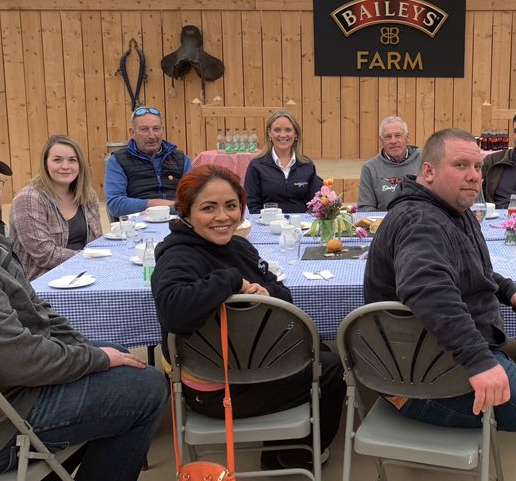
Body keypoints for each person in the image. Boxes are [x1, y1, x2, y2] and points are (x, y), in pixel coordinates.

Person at [0, 134, 166, 480]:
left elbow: (38, 310)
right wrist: (97, 358)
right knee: (147, 386)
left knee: (119, 354)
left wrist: (92, 351)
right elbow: (19, 360)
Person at [364, 128, 516, 481]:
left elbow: (470, 270)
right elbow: (428, 288)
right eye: (461, 164)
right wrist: (479, 361)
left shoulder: (452, 208)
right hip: (424, 381)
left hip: (431, 360)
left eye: (478, 166)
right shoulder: (421, 220)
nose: (474, 175)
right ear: (428, 172)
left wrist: (509, 292)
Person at [152, 165, 345, 470]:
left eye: (231, 206)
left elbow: (282, 294)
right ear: (186, 213)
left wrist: (266, 294)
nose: (222, 216)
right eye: (208, 208)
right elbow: (174, 311)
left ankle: (279, 450)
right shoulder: (178, 257)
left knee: (317, 347)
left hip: (243, 365)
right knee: (334, 369)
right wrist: (231, 280)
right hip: (217, 390)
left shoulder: (238, 246)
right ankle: (298, 455)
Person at [10, 135, 103, 280]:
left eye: (72, 160)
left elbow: (96, 242)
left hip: (85, 274)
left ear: (80, 165)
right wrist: (88, 258)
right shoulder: (29, 199)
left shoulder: (88, 196)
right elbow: (45, 255)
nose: (65, 166)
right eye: (57, 160)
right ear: (45, 164)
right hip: (42, 281)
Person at [104, 106, 192, 219]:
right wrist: (156, 205)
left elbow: (195, 198)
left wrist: (171, 209)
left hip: (180, 222)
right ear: (132, 132)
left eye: (156, 129)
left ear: (162, 130)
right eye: (144, 129)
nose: (151, 135)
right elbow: (115, 205)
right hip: (138, 225)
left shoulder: (181, 159)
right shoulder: (118, 161)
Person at [244, 109, 323, 215]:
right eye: (277, 130)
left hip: (301, 227)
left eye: (288, 130)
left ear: (296, 133)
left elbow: (314, 204)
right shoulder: (256, 166)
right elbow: (252, 206)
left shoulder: (307, 165)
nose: (282, 135)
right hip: (267, 227)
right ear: (269, 133)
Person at [356, 116, 421, 211]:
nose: (393, 141)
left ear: (407, 138)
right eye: (388, 137)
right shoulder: (370, 168)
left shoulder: (425, 161)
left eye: (398, 135)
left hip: (420, 221)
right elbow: (365, 207)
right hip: (386, 223)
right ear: (381, 141)